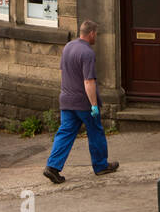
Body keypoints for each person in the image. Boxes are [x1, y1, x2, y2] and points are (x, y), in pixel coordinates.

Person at [44, 19, 118, 183]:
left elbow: (63, 72)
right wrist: (93, 105)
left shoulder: (68, 47)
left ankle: (52, 167)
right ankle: (100, 166)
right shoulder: (87, 53)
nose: (96, 37)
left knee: (65, 133)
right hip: (83, 103)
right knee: (95, 132)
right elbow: (89, 81)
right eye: (96, 34)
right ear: (91, 33)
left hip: (66, 99)